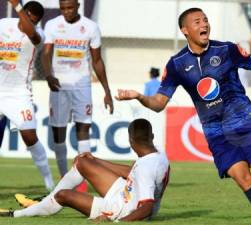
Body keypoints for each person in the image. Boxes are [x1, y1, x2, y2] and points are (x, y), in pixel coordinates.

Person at [115, 8, 251, 225]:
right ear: (185, 30)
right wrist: (140, 97)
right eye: (197, 22)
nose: (204, 25)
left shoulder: (227, 49)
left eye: (206, 20)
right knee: (243, 178)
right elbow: (159, 103)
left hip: (243, 121)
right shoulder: (176, 64)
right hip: (215, 132)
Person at [0, 119, 170, 222]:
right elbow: (133, 172)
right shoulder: (157, 154)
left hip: (122, 208)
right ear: (152, 137)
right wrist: (96, 160)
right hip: (125, 192)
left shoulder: (147, 167)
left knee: (63, 196)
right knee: (83, 162)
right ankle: (46, 200)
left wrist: (117, 222)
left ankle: (18, 214)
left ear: (130, 140)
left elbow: (147, 207)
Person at [42, 0, 114, 184]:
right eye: (63, 8)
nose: (66, 11)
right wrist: (48, 75)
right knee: (58, 132)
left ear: (78, 6)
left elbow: (97, 61)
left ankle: (86, 175)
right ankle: (64, 175)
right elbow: (46, 53)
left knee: (83, 127)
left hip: (82, 85)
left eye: (70, 7)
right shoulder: (52, 25)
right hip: (59, 85)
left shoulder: (90, 27)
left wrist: (107, 91)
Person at [0, 0, 54, 191]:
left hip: (18, 94)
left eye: (32, 20)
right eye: (26, 17)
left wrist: (17, 6)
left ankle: (48, 181)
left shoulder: (38, 34)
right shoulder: (4, 25)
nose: (27, 23)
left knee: (30, 136)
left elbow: (30, 32)